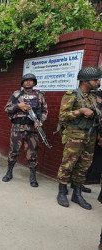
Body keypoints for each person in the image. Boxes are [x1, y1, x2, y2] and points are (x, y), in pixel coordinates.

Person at [56, 66, 102, 210]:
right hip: (74, 136)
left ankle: (77, 193)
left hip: (90, 136)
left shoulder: (95, 97)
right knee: (68, 164)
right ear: (85, 81)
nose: (98, 81)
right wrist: (80, 111)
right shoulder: (72, 95)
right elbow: (62, 116)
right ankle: (62, 192)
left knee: (84, 166)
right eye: (95, 79)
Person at [2, 73, 48, 187]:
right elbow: (7, 109)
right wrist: (18, 106)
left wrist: (41, 121)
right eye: (26, 80)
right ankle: (9, 172)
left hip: (32, 129)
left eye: (30, 80)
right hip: (17, 128)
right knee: (13, 152)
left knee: (32, 154)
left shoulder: (39, 95)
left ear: (34, 82)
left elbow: (44, 111)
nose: (28, 82)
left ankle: (32, 176)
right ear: (22, 82)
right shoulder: (16, 95)